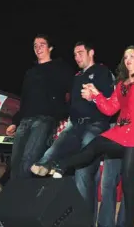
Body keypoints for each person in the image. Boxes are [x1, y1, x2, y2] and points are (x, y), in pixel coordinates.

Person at [31, 45, 134, 227]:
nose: (128, 60)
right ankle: (60, 165)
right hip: (120, 131)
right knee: (95, 145)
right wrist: (95, 96)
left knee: (128, 179)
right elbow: (110, 108)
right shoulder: (121, 84)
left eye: (132, 56)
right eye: (125, 57)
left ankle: (129, 224)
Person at [33, 41, 114, 225]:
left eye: (80, 53)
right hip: (74, 125)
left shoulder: (102, 71)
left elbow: (111, 100)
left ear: (91, 52)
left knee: (83, 173)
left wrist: (94, 97)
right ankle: (45, 167)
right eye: (75, 54)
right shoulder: (76, 77)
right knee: (51, 152)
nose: (77, 57)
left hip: (95, 125)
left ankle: (83, 222)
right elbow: (72, 105)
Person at [6, 34, 74, 179]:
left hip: (44, 120)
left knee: (28, 161)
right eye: (35, 45)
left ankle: (24, 199)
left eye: (42, 44)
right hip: (25, 121)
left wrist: (60, 113)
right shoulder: (30, 72)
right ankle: (13, 198)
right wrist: (15, 122)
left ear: (50, 47)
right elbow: (24, 100)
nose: (38, 48)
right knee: (15, 163)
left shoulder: (61, 69)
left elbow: (72, 94)